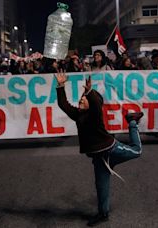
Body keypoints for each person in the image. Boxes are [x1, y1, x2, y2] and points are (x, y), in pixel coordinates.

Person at [55, 70, 144, 226]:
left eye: (84, 99)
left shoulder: (95, 113)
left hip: (112, 150)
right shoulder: (78, 114)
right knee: (101, 187)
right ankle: (103, 214)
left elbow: (96, 103)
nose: (80, 100)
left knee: (137, 151)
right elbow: (63, 104)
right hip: (99, 159)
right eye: (80, 99)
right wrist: (61, 85)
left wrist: (89, 92)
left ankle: (132, 122)